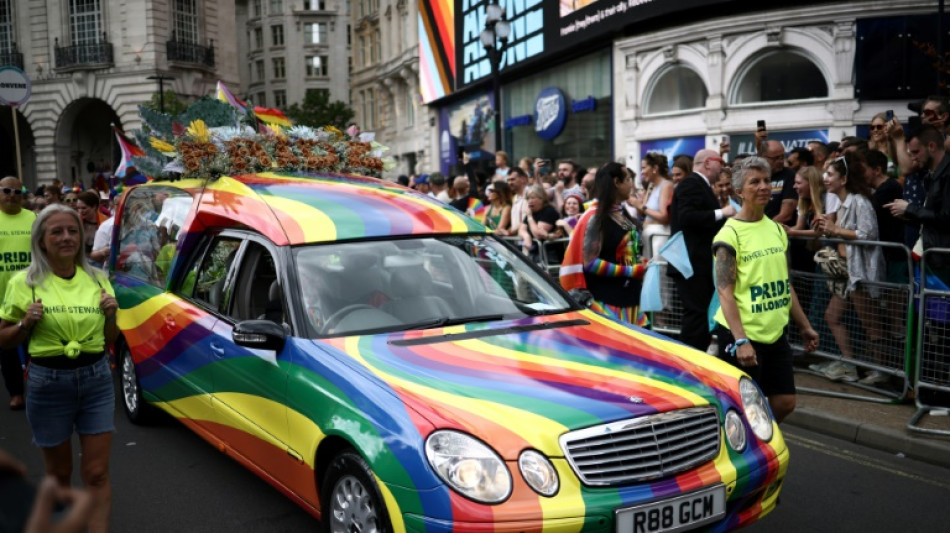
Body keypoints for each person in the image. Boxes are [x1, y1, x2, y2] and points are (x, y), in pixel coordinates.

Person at [0, 204, 119, 533]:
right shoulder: (24, 283)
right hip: (47, 383)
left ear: (81, 237)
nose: (67, 238)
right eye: (57, 232)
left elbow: (110, 338)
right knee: (59, 475)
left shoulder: (97, 278)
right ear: (41, 241)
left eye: (73, 231)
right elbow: (4, 339)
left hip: (96, 380)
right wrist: (25, 323)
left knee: (96, 472)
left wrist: (111, 316)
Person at [712, 157, 819, 423]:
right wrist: (741, 341)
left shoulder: (776, 230)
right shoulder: (729, 235)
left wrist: (804, 325)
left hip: (775, 335)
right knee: (743, 410)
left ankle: (759, 437)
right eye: (754, 182)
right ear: (739, 192)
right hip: (743, 337)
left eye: (767, 181)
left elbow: (785, 283)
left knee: (785, 402)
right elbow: (725, 292)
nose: (763, 187)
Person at [815, 153, 886, 383]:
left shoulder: (859, 202)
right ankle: (850, 365)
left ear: (843, 179)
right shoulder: (845, 204)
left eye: (830, 174)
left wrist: (835, 230)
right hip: (848, 273)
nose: (825, 178)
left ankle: (881, 371)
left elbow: (868, 234)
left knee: (870, 323)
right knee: (831, 316)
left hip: (861, 273)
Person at [559, 162, 648, 326]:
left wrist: (640, 261)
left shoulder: (621, 214)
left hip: (631, 299)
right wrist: (631, 270)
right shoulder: (596, 217)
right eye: (628, 179)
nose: (632, 185)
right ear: (616, 182)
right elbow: (590, 263)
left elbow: (629, 247)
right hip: (608, 303)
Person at [669, 149, 735, 350]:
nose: (723, 167)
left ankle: (692, 361)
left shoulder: (700, 185)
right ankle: (689, 363)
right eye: (720, 162)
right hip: (691, 264)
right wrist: (722, 212)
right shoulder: (691, 183)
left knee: (698, 315)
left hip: (697, 263)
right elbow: (687, 217)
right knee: (696, 316)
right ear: (707, 163)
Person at [886, 126, 950, 281]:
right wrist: (907, 214)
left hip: (943, 261)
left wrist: (909, 209)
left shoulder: (947, 174)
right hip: (933, 256)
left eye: (915, 152)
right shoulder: (931, 176)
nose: (912, 158)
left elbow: (946, 218)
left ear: (931, 147)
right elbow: (932, 219)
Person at [0, 176, 35, 410]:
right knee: (7, 345)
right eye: (6, 191)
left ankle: (38, 387)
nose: (12, 195)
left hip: (32, 291)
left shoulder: (34, 219)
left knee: (36, 341)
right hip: (2, 294)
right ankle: (16, 393)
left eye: (17, 191)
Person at [627, 152, 673, 258]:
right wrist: (634, 203)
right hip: (647, 236)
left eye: (644, 168)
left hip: (659, 238)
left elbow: (664, 216)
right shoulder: (651, 185)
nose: (642, 172)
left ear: (655, 168)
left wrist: (641, 206)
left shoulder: (666, 185)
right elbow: (644, 212)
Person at [517, 184, 559, 260]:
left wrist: (529, 217)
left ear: (541, 199)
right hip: (534, 254)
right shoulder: (531, 212)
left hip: (548, 256)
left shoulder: (549, 211)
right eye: (528, 198)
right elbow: (521, 229)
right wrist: (526, 236)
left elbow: (537, 234)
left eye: (532, 198)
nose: (530, 201)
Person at [763, 140, 798, 224]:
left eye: (782, 157)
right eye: (775, 158)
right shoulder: (754, 176)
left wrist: (765, 228)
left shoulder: (790, 176)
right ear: (763, 157)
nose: (780, 161)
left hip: (779, 230)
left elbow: (786, 215)